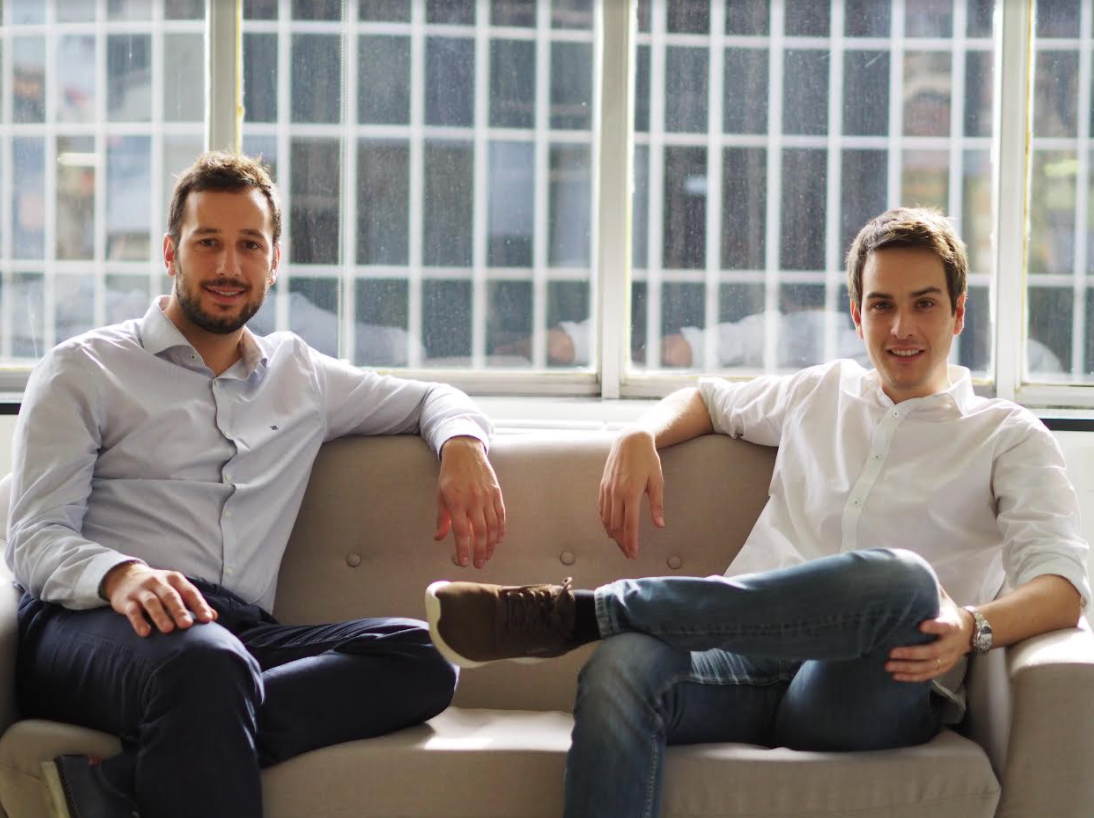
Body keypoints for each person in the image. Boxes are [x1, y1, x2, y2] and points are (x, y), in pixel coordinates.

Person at [423, 207, 1090, 818]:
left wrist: (971, 626)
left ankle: (591, 611)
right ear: (856, 315)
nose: (901, 328)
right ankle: (611, 621)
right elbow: (709, 400)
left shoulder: (1007, 435)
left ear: (959, 313)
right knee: (621, 663)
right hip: (737, 661)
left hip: (868, 685)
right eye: (881, 305)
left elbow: (1062, 588)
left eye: (924, 304)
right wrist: (639, 434)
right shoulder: (818, 392)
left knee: (906, 580)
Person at [7, 151, 506, 818]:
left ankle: (123, 779)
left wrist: (463, 444)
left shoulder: (301, 375)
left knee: (422, 656)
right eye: (207, 242)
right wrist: (121, 575)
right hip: (94, 622)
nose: (228, 267)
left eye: (249, 245)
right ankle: (180, 734)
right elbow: (34, 536)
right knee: (208, 666)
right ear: (170, 252)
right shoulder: (84, 369)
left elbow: (431, 397)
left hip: (230, 633)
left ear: (274, 261)